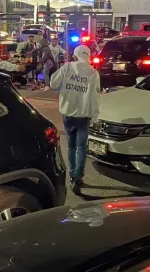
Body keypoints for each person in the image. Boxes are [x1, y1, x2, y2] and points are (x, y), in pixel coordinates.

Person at [50, 45, 100, 193]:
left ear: (76, 55)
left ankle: (72, 175)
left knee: (71, 146)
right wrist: (96, 117)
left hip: (68, 114)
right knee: (81, 147)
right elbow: (95, 97)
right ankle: (78, 176)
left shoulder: (67, 68)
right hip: (84, 116)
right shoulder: (93, 73)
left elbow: (53, 84)